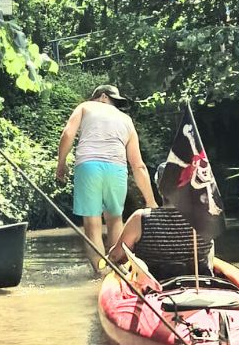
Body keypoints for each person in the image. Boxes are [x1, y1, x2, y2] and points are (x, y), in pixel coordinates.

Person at [56, 83, 156, 271]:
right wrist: (150, 201)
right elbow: (138, 164)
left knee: (92, 225)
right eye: (114, 101)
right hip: (117, 169)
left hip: (89, 167)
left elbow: (68, 133)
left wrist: (61, 165)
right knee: (115, 219)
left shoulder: (85, 106)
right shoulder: (126, 119)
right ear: (103, 96)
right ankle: (118, 271)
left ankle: (101, 274)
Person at [108, 161, 215, 281]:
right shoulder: (204, 217)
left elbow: (114, 256)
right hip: (199, 282)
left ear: (159, 187)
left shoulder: (140, 218)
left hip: (156, 286)